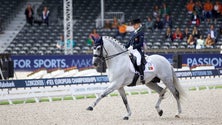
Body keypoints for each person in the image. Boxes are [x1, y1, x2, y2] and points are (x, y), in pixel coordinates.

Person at [125, 18, 145, 84]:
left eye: (135, 25)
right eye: (133, 25)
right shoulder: (133, 32)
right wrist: (124, 47)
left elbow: (141, 44)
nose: (133, 26)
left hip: (137, 50)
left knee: (138, 60)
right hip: (131, 49)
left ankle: (141, 75)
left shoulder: (141, 32)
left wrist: (133, 47)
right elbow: (129, 42)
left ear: (138, 24)